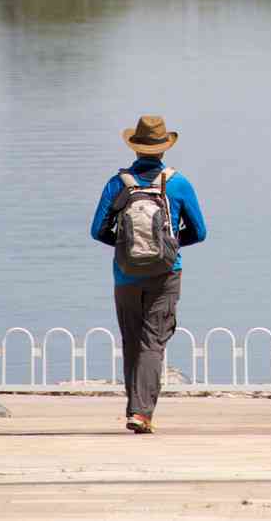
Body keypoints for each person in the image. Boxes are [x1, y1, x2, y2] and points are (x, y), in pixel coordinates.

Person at [90, 115, 207, 433]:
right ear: (163, 149)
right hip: (166, 274)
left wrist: (126, 247)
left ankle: (135, 410)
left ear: (136, 148)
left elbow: (97, 230)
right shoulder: (179, 183)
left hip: (125, 275)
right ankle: (142, 413)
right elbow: (200, 232)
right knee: (152, 342)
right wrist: (168, 245)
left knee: (132, 341)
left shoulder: (118, 183)